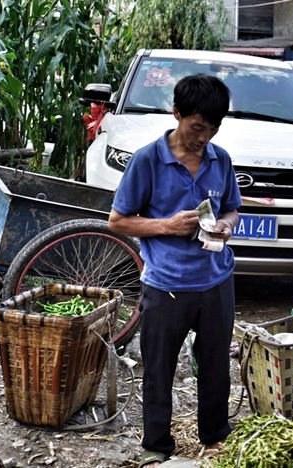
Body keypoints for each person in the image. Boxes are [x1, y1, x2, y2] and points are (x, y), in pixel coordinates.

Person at [108, 74, 241, 468]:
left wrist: (227, 226)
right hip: (165, 283)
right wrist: (167, 225)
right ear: (177, 113)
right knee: (159, 367)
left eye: (213, 129)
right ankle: (157, 446)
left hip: (216, 279)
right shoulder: (147, 160)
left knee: (215, 364)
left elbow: (232, 206)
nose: (204, 137)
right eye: (197, 127)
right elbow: (118, 221)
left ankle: (214, 436)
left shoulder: (221, 160)